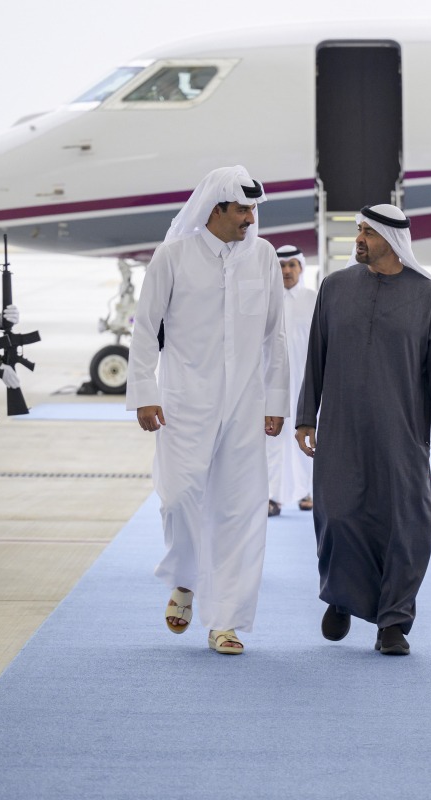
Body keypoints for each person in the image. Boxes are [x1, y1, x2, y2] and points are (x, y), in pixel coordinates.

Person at [126, 165, 288, 656]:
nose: (250, 218)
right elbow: (144, 326)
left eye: (253, 209)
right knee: (178, 499)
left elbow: (275, 335)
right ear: (216, 209)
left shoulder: (263, 256)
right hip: (183, 403)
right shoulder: (173, 256)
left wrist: (277, 400)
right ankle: (186, 576)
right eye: (242, 209)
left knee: (240, 511)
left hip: (244, 406)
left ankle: (226, 622)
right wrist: (144, 391)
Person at [296, 203, 431, 656]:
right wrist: (307, 415)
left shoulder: (427, 295)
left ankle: (393, 622)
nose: (359, 239)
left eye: (368, 232)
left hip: (401, 431)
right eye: (359, 230)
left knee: (405, 524)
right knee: (338, 516)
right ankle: (341, 597)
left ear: (392, 240)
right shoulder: (334, 287)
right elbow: (315, 356)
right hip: (341, 427)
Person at [266, 244, 316, 517]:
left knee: (305, 434)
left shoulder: (313, 299)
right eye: (281, 266)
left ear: (300, 268)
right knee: (272, 439)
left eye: (291, 265)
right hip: (272, 382)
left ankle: (307, 491)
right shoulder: (266, 299)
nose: (286, 271)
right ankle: (272, 496)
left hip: (305, 381)